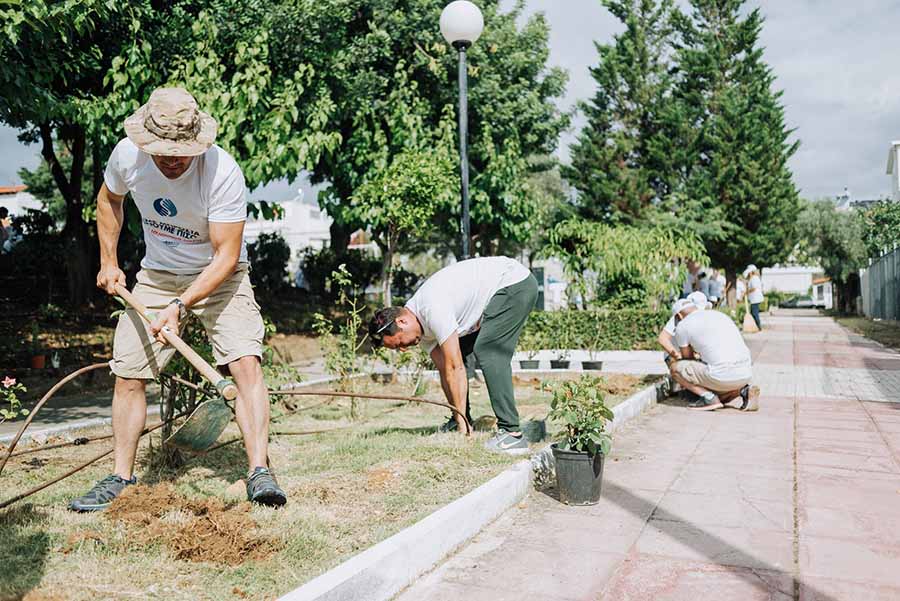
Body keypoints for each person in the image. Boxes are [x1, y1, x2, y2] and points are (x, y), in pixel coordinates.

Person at [69, 87, 285, 511]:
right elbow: (108, 200)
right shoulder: (127, 156)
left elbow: (225, 255)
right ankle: (120, 477)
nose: (170, 159)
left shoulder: (222, 171)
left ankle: (259, 470)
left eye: (180, 151)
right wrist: (109, 260)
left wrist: (180, 307)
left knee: (244, 363)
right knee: (129, 373)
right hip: (157, 276)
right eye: (161, 151)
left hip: (221, 277)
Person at [368, 257, 538, 455]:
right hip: (502, 290)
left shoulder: (431, 308)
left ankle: (512, 434)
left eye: (399, 343)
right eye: (397, 349)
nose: (403, 349)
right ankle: (463, 417)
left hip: (514, 284)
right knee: (456, 353)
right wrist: (459, 417)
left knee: (488, 350)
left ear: (402, 321)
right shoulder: (421, 332)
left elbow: (455, 368)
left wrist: (462, 429)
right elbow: (445, 368)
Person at [669, 300, 760, 411]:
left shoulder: (683, 325)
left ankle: (709, 398)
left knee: (675, 368)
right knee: (722, 396)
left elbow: (687, 359)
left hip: (721, 375)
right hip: (745, 374)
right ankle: (743, 390)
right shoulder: (718, 315)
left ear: (678, 315)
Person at [744, 264, 764, 330]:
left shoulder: (754, 278)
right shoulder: (752, 278)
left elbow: (754, 288)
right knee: (753, 313)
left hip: (755, 298)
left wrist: (746, 292)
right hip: (753, 298)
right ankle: (756, 326)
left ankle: (758, 326)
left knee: (755, 313)